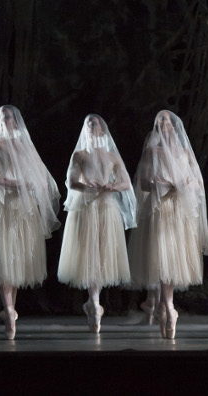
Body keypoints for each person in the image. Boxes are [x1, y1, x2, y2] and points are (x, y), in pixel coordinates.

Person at [0, 105, 60, 339]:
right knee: (4, 261)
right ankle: (8, 310)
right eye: (2, 117)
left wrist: (26, 185)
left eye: (9, 117)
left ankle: (10, 312)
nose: (5, 120)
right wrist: (5, 183)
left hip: (22, 210)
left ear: (16, 122)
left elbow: (42, 180)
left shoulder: (26, 148)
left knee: (16, 263)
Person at [128, 110, 208, 339]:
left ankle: (168, 306)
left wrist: (184, 184)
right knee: (162, 256)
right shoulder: (151, 152)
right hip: (161, 208)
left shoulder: (184, 152)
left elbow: (197, 184)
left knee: (174, 258)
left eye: (166, 119)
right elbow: (144, 183)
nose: (163, 122)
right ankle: (168, 306)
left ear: (174, 126)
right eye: (159, 119)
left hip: (179, 210)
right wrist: (162, 183)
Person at [57, 114, 136, 333]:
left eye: (96, 125)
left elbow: (126, 182)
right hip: (86, 208)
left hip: (107, 208)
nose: (92, 128)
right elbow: (71, 182)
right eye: (89, 125)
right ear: (85, 130)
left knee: (102, 253)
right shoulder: (79, 155)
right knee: (90, 253)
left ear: (102, 131)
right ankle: (94, 301)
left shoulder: (112, 156)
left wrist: (112, 186)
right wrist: (86, 186)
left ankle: (95, 301)